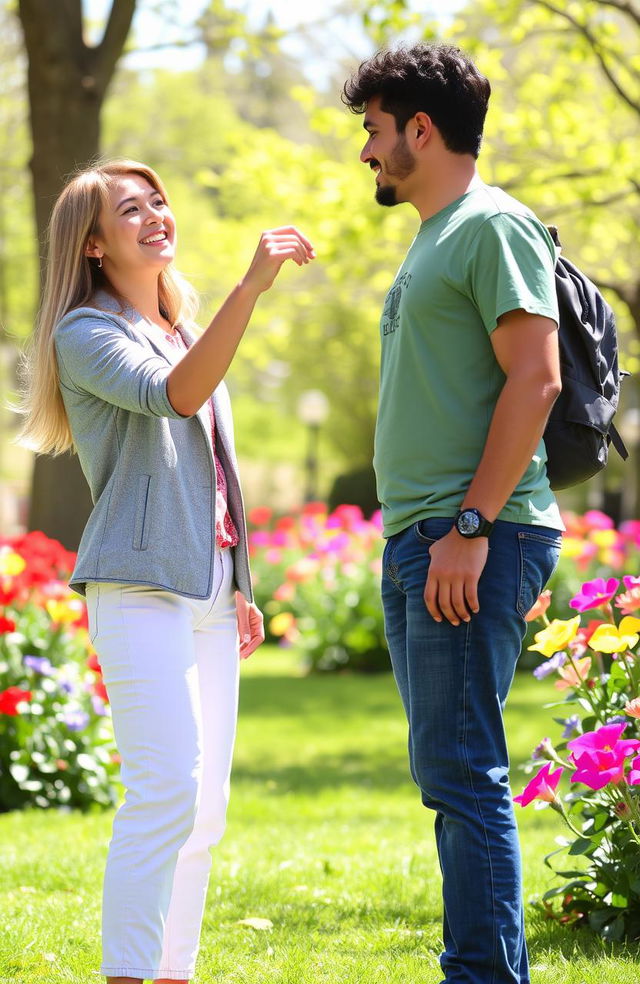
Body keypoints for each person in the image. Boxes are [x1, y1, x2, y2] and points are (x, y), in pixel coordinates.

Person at [18, 158, 314, 984]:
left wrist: (241, 582)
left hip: (210, 589)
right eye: (130, 209)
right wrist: (250, 288)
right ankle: (127, 975)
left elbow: (216, 464)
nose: (154, 216)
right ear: (93, 245)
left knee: (206, 811)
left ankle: (173, 973)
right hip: (138, 586)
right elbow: (175, 399)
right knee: (164, 794)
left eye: (158, 201)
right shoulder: (85, 334)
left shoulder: (183, 330)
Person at [342, 44, 563, 984]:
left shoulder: (491, 226)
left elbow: (537, 377)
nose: (366, 153)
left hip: (471, 534)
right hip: (428, 536)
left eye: (374, 131)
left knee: (464, 771)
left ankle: (481, 976)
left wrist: (471, 530)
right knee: (450, 772)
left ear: (419, 131)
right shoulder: (436, 233)